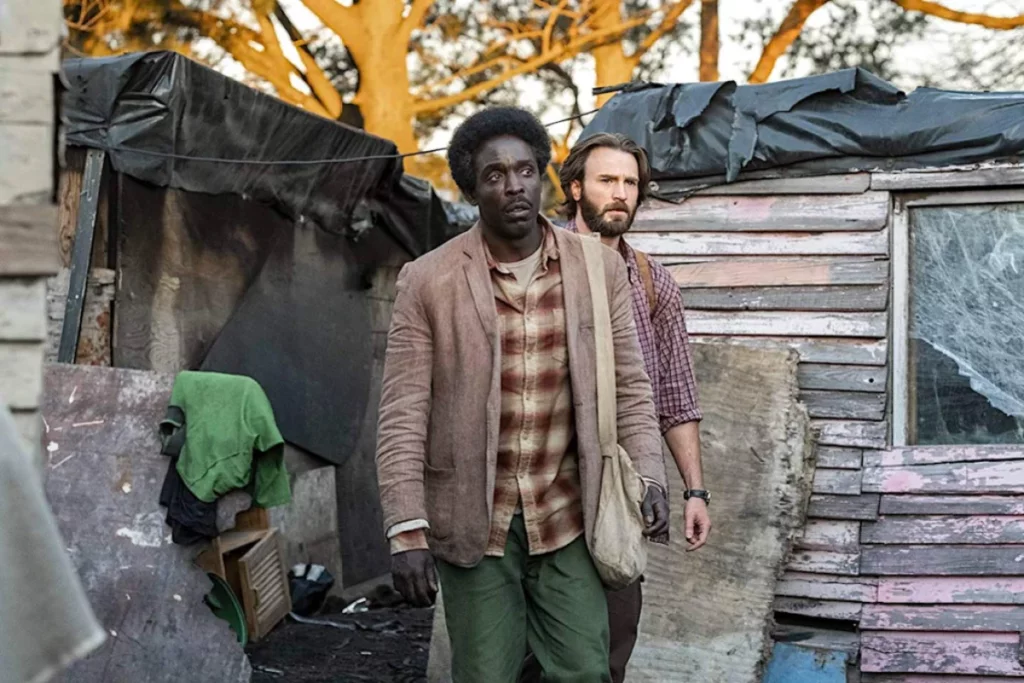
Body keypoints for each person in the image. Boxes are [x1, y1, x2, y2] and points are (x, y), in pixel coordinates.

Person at [375, 107, 670, 683]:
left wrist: (651, 477)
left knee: (586, 669)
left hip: (567, 514)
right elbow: (402, 413)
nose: (513, 185)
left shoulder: (596, 269)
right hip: (472, 521)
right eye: (494, 175)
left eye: (526, 170)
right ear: (473, 188)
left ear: (544, 176)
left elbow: (631, 384)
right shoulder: (427, 279)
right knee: (487, 673)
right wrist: (405, 528)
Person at [533, 132, 712, 683]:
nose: (620, 194)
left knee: (612, 644)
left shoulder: (655, 284)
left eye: (630, 183)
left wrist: (694, 491)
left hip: (616, 489)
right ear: (575, 187)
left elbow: (674, 398)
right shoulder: (534, 263)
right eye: (607, 180)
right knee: (527, 656)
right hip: (537, 482)